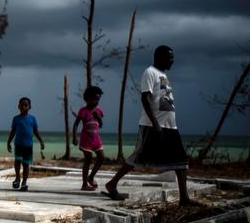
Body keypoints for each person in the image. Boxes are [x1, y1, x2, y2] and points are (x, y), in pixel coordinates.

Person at [103, 45, 197, 206]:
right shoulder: (150, 72)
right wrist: (155, 124)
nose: (172, 61)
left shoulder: (163, 75)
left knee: (181, 160)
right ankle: (112, 183)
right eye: (170, 57)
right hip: (153, 126)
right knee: (138, 157)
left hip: (170, 127)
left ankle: (184, 199)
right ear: (160, 57)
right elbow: (145, 98)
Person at [7, 97, 45, 191]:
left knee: (26, 165)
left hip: (28, 146)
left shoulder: (32, 119)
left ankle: (24, 182)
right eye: (22, 105)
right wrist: (8, 142)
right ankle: (17, 178)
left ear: (30, 107)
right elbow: (13, 131)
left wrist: (41, 141)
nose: (24, 107)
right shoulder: (16, 119)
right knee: (17, 162)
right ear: (18, 106)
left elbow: (36, 131)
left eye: (26, 105)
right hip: (18, 145)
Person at [72, 86, 104, 191]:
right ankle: (84, 184)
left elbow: (101, 125)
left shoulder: (99, 111)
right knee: (88, 159)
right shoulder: (83, 111)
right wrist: (74, 137)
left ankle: (91, 177)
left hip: (96, 139)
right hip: (86, 140)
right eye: (95, 99)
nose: (97, 101)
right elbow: (76, 124)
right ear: (87, 99)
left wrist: (98, 117)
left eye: (98, 99)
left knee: (101, 158)